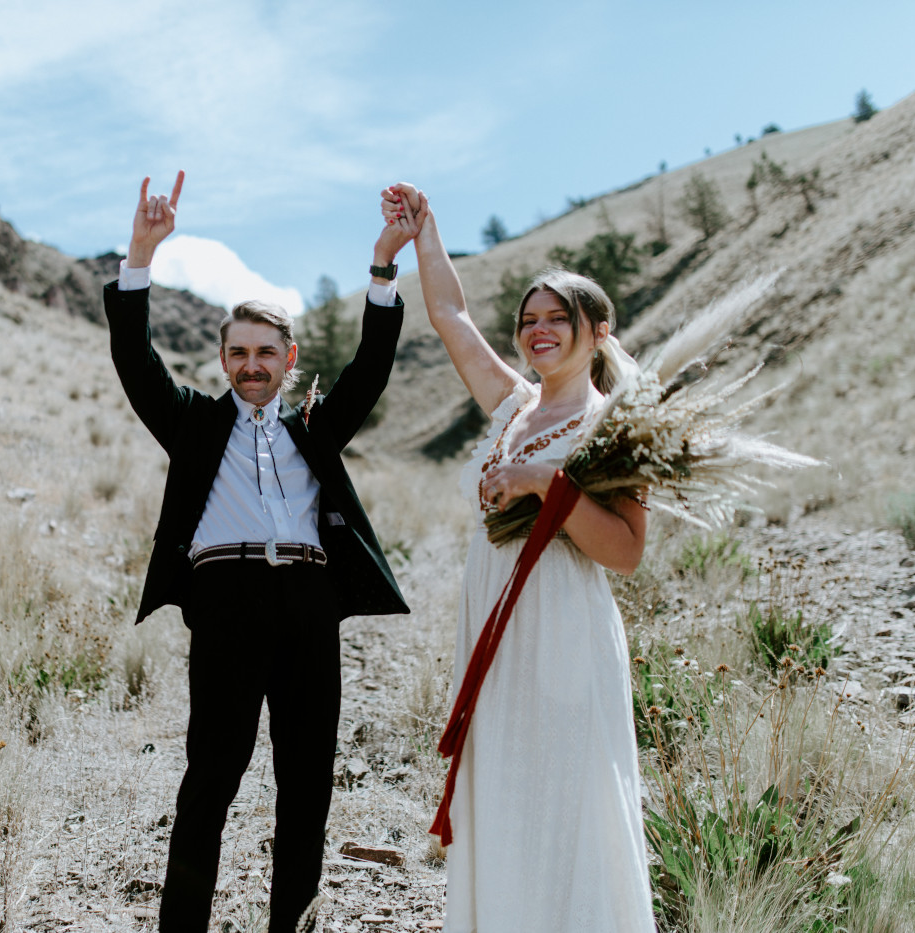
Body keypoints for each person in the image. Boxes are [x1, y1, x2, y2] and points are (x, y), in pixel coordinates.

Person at [106, 172, 411, 933]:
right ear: (221, 359)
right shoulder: (194, 425)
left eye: (265, 352)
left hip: (309, 604)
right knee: (210, 779)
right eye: (238, 352)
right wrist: (141, 254)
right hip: (227, 602)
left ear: (287, 356)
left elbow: (370, 369)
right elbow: (134, 361)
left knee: (306, 785)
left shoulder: (314, 428)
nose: (251, 364)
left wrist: (382, 263)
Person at [382, 184, 654, 932]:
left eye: (555, 319)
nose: (537, 331)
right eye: (528, 319)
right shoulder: (513, 406)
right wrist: (424, 231)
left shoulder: (613, 426)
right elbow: (449, 316)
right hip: (493, 625)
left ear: (597, 330)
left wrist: (545, 483)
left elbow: (627, 551)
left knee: (569, 793)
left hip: (562, 624)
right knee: (505, 786)